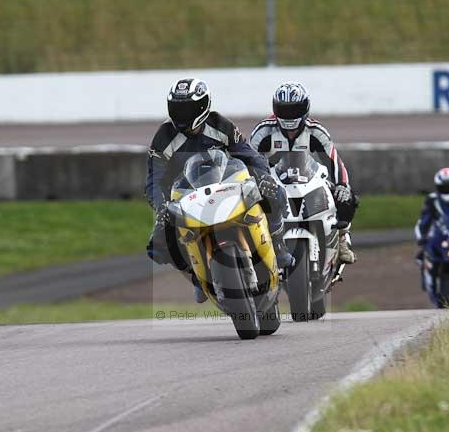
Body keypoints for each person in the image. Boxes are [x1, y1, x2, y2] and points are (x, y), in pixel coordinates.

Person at [145, 77, 293, 303]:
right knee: (158, 244)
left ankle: (278, 244)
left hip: (226, 185)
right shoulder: (163, 137)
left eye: (186, 109)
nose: (181, 114)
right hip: (185, 196)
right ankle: (195, 276)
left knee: (274, 191)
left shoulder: (220, 125)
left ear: (202, 107)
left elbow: (250, 155)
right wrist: (161, 205)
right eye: (176, 108)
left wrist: (263, 177)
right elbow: (153, 181)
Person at [249, 82, 358, 264]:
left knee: (347, 199)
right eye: (284, 110)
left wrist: (342, 185)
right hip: (274, 182)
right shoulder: (263, 131)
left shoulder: (316, 131)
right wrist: (257, 181)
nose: (289, 116)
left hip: (309, 178)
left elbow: (335, 162)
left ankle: (341, 239)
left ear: (305, 108)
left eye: (295, 110)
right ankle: (256, 245)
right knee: (249, 202)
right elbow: (250, 160)